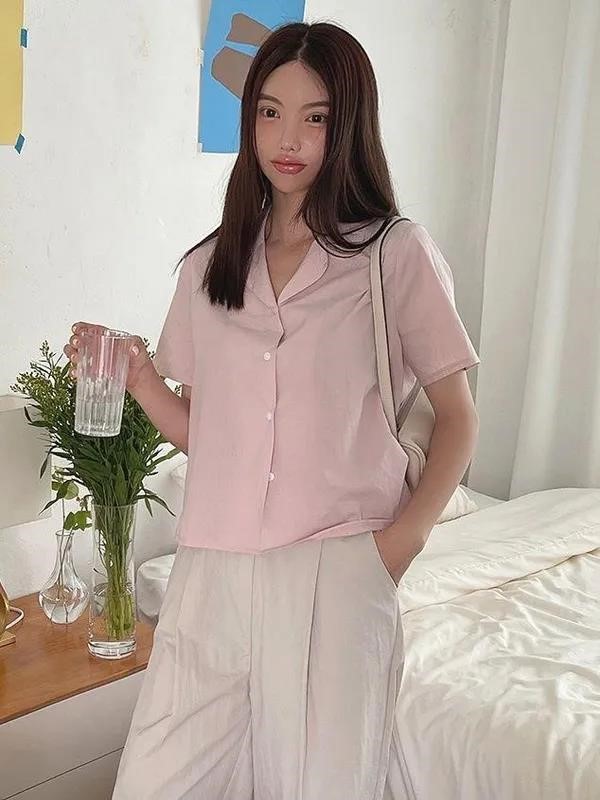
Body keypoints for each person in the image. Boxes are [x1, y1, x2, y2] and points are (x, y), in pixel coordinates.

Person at [65, 20, 480, 800]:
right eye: (269, 112)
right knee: (156, 782)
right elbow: (211, 436)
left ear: (347, 125)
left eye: (315, 117)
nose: (288, 138)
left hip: (336, 568)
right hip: (212, 570)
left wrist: (398, 547)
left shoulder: (394, 254)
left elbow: (458, 417)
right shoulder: (208, 266)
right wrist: (143, 380)